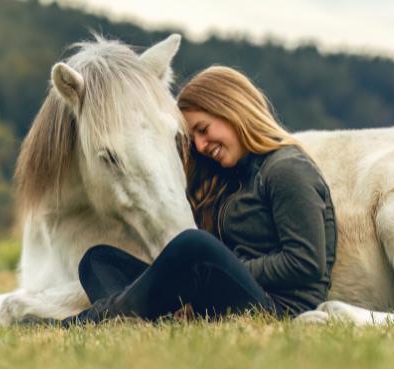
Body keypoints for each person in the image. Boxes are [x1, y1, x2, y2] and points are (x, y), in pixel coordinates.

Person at [61, 66, 338, 325]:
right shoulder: (233, 178)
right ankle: (137, 316)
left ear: (233, 110)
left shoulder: (287, 170)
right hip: (227, 293)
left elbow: (305, 262)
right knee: (99, 261)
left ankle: (95, 319)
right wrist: (204, 280)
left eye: (203, 130)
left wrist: (224, 270)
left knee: (194, 246)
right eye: (195, 139)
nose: (202, 146)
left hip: (276, 308)